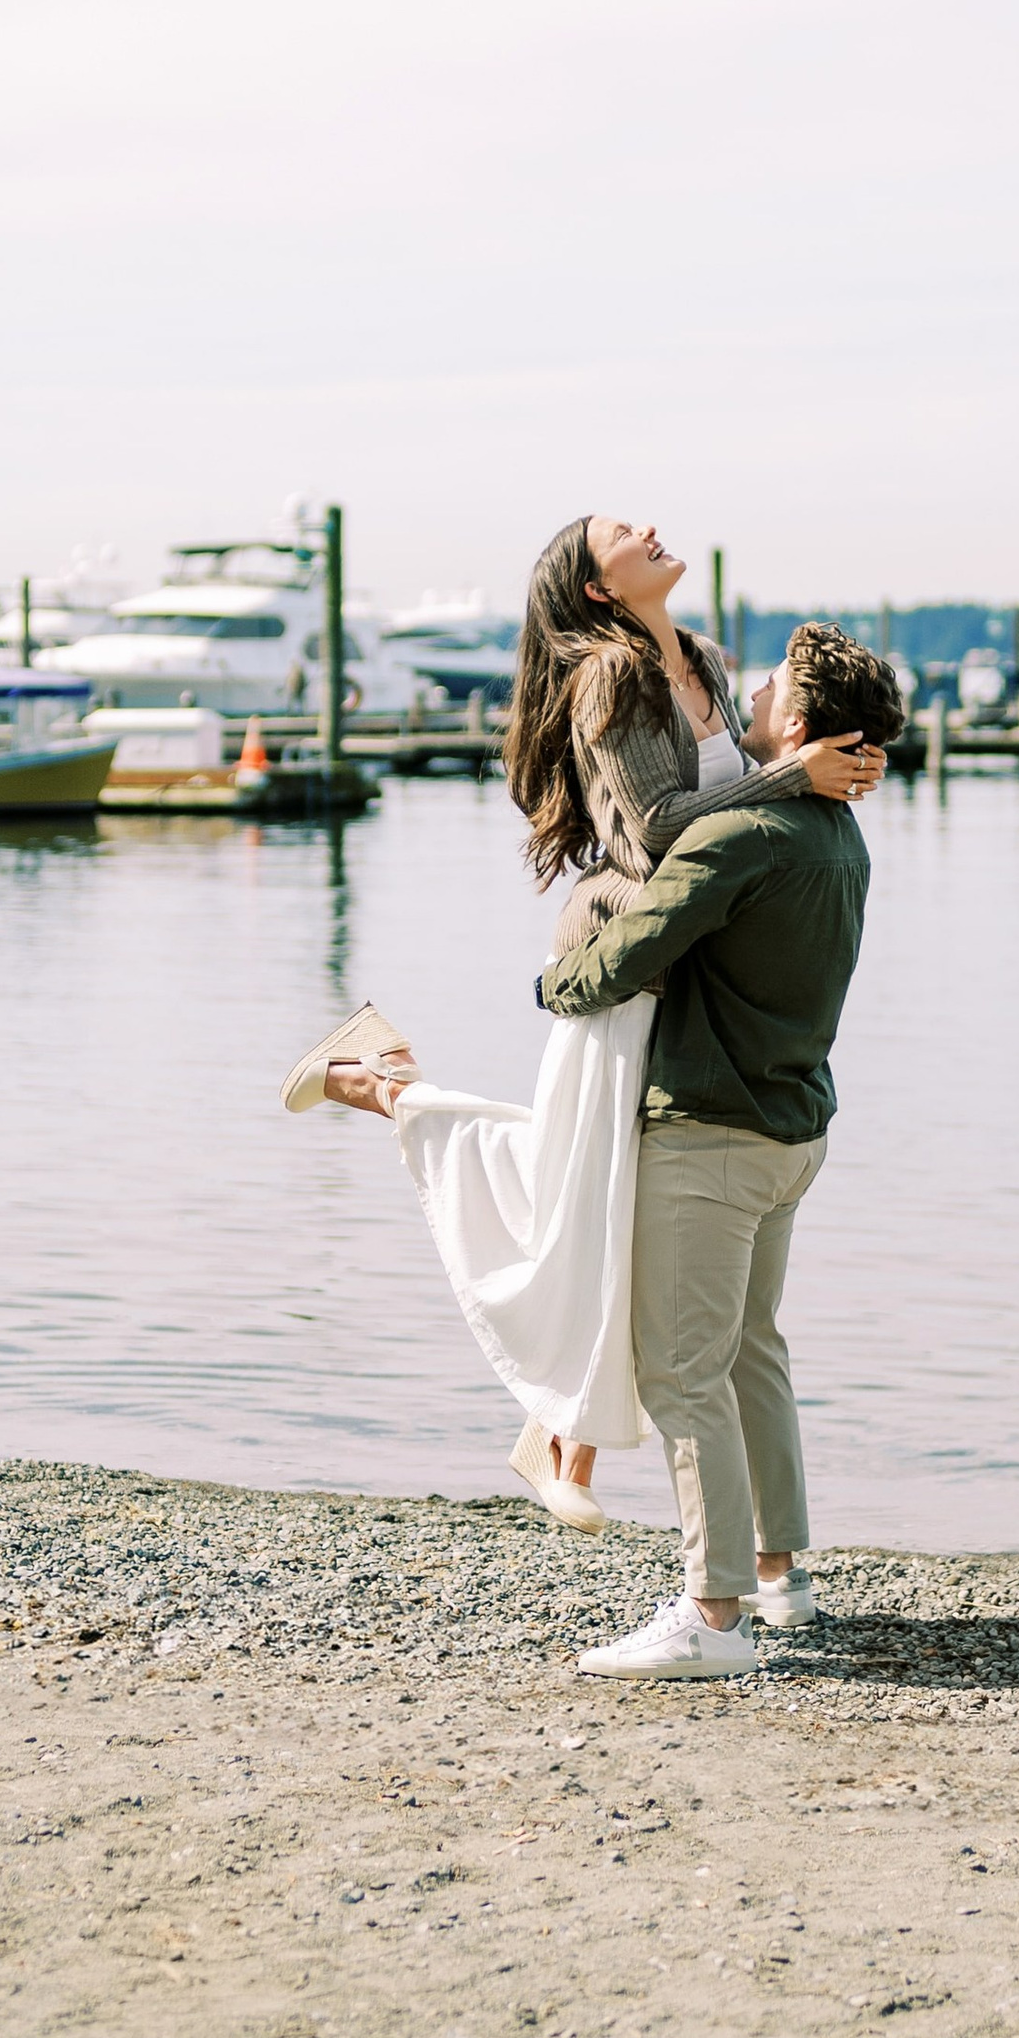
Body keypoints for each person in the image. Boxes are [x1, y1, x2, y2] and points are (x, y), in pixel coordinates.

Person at [278, 518, 883, 1539]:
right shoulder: (610, 678)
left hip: (683, 961)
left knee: (599, 1191)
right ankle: (382, 1085)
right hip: (623, 955)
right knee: (583, 1188)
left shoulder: (706, 662)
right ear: (597, 589)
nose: (648, 530)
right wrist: (795, 780)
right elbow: (655, 836)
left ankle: (559, 1441)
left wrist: (820, 781)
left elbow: (738, 828)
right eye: (618, 534)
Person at [536, 616, 907, 1679]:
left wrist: (546, 985)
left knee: (684, 1374)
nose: (742, 705)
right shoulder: (838, 833)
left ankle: (712, 1618)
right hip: (791, 1129)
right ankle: (780, 1578)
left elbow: (624, 957)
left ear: (794, 722)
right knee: (750, 1351)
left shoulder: (740, 835)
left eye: (762, 697)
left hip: (711, 1134)